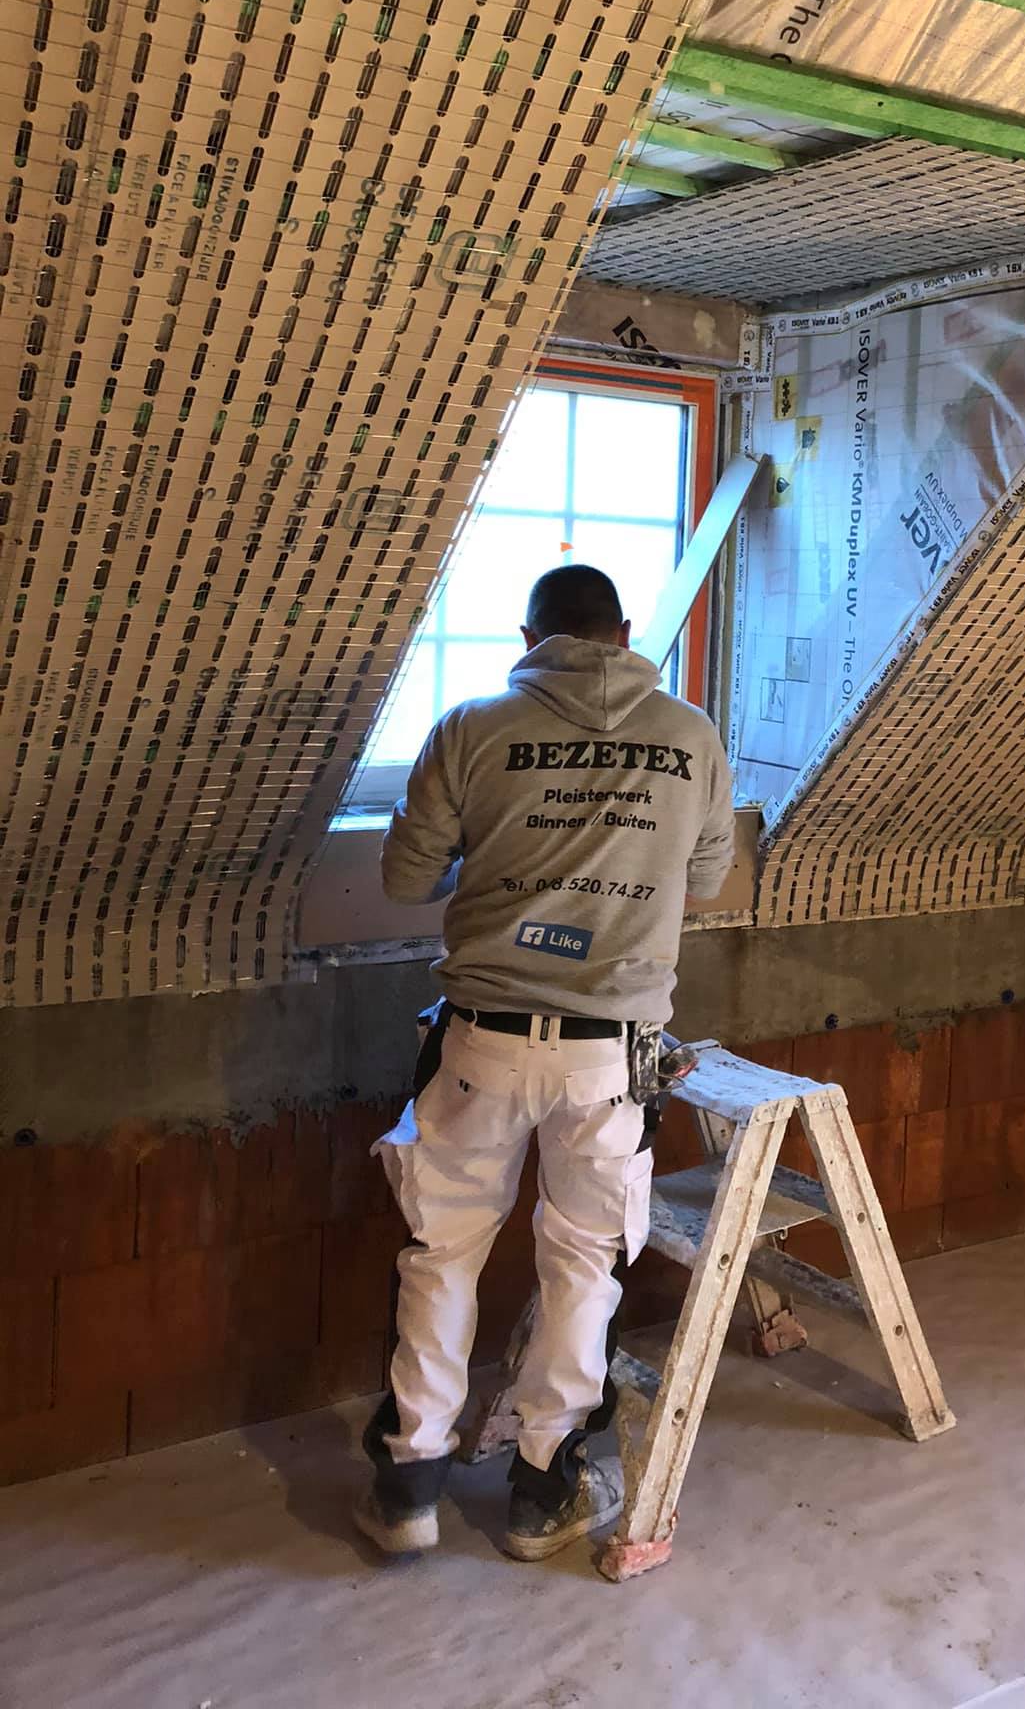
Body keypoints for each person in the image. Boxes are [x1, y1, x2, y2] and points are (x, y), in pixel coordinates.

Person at [354, 562, 736, 1561]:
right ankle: (539, 1494)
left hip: (481, 1041)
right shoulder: (690, 735)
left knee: (442, 1253)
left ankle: (408, 1488)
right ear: (623, 634)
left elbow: (405, 879)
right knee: (583, 1268)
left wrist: (508, 843)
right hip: (606, 1059)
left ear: (530, 639)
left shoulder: (471, 726)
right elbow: (705, 881)